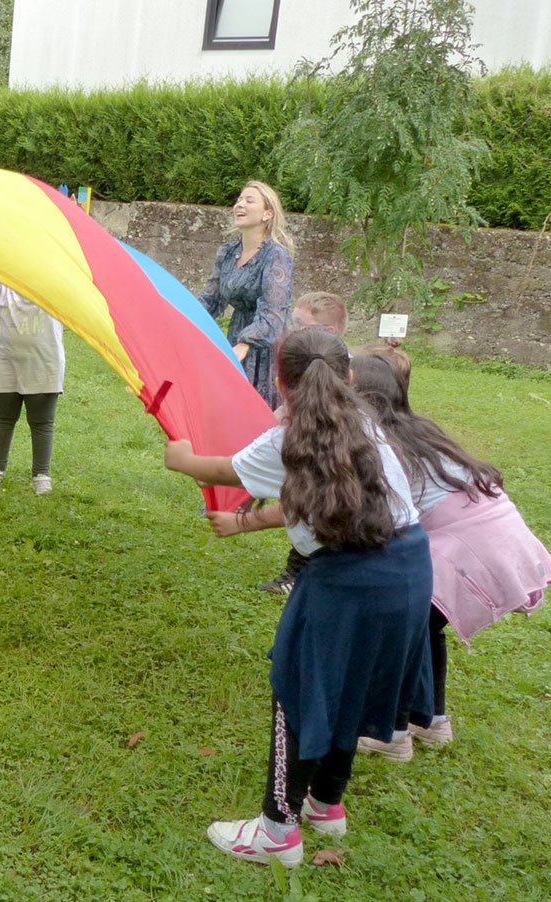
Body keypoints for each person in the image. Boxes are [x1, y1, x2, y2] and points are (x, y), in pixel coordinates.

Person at [164, 327, 434, 869]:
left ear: (281, 386)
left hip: (347, 581)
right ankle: (325, 804)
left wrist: (180, 456)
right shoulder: (366, 425)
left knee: (297, 689)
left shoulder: (288, 442)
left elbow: (214, 468)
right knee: (352, 689)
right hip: (410, 569)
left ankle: (276, 832)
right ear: (350, 377)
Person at [349, 351, 551, 761]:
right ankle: (431, 721)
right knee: (425, 629)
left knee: (395, 632)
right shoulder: (418, 428)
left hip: (463, 546)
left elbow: (383, 519)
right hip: (496, 534)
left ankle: (389, 734)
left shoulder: (381, 445)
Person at [257, 291, 349, 596]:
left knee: (316, 506)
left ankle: (297, 575)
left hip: (336, 463)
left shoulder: (333, 371)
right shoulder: (314, 361)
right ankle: (296, 573)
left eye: (300, 324)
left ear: (329, 332)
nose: (292, 329)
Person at [0, 273, 65, 495]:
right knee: (3, 419)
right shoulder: (5, 286)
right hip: (6, 362)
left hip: (44, 364)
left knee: (41, 423)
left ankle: (41, 474)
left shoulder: (55, 291)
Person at [198, 180, 296, 408]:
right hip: (236, 336)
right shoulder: (227, 252)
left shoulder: (277, 256)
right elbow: (210, 300)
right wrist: (179, 317)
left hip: (267, 346)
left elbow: (274, 314)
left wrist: (245, 344)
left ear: (267, 214)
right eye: (239, 199)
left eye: (249, 201)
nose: (239, 205)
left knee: (259, 412)